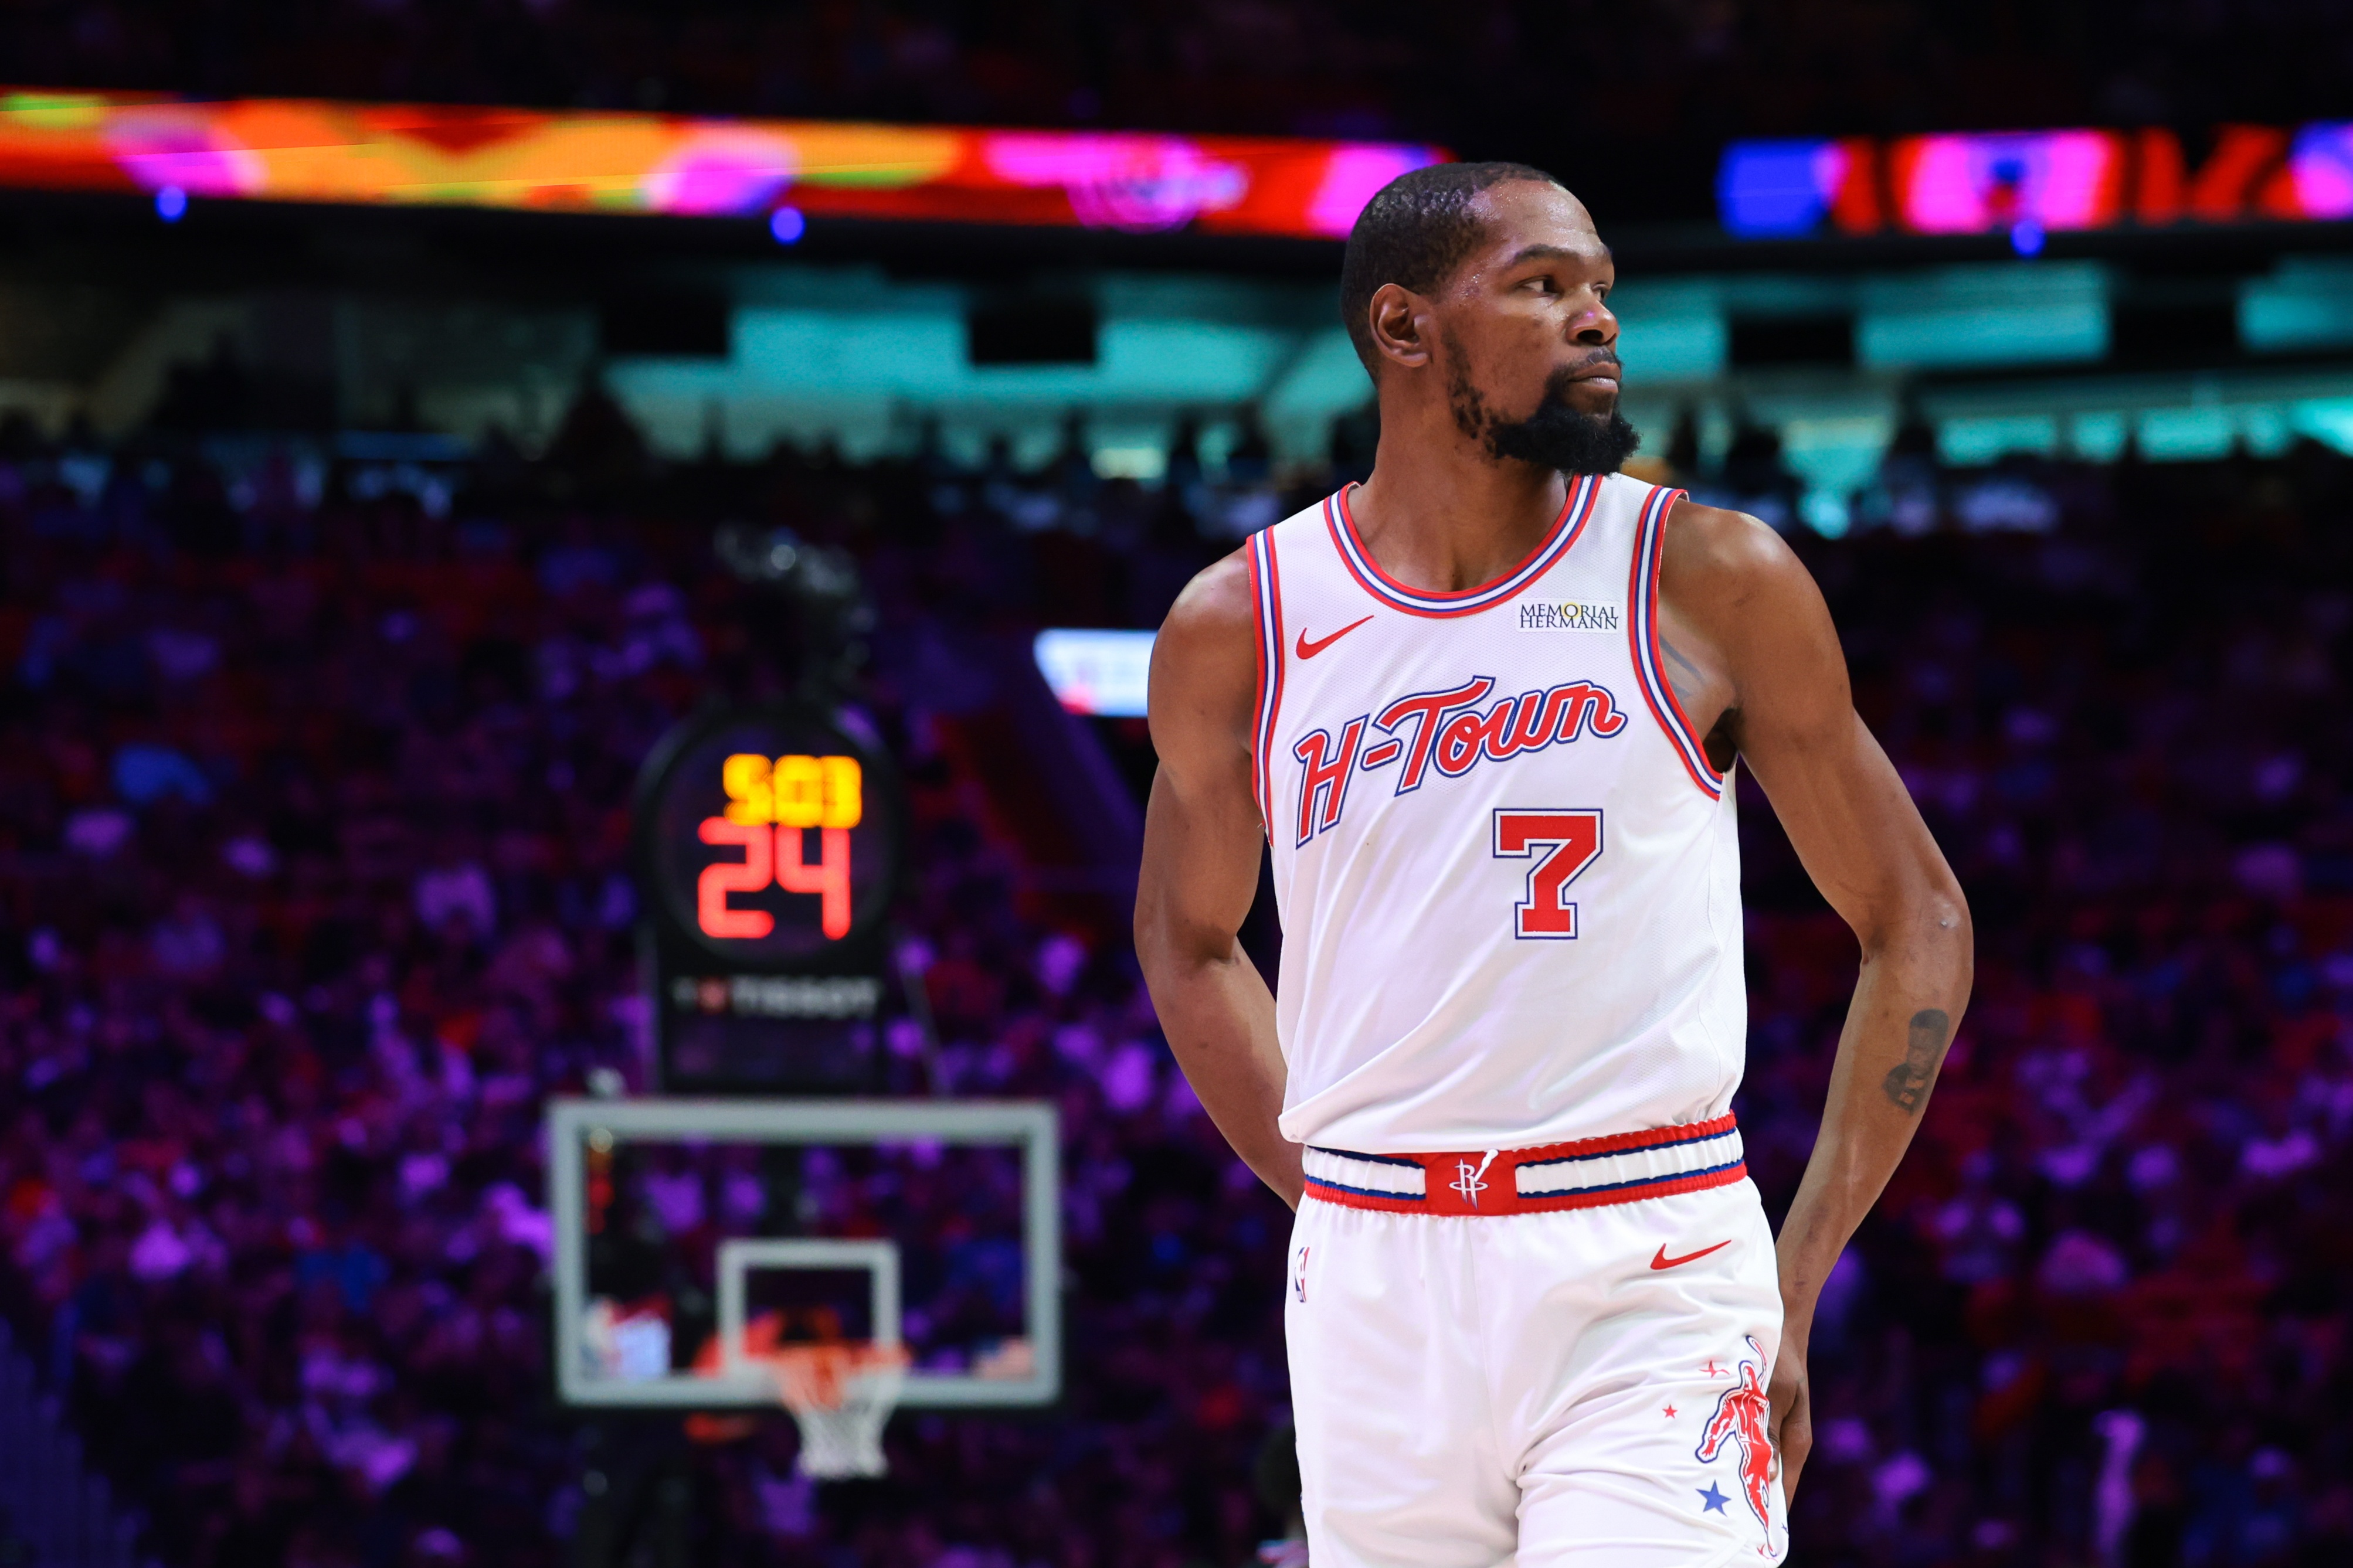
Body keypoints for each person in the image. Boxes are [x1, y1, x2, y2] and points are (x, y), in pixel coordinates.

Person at [1135, 162, 1973, 1566]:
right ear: (1404, 327)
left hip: (1650, 1260)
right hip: (1373, 1292)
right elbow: (1188, 940)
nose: (1599, 319)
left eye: (1601, 288)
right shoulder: (1243, 623)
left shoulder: (1706, 577)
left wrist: (1796, 1274)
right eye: (1542, 286)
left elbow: (1920, 918)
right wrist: (1336, 1189)